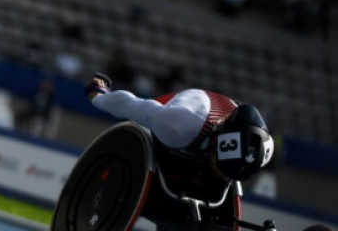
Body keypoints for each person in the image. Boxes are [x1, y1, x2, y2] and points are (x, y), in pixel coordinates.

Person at [85, 73, 274, 184]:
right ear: (218, 140)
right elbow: (130, 105)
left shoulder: (260, 144)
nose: (225, 177)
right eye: (225, 170)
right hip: (170, 131)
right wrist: (99, 97)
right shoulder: (178, 126)